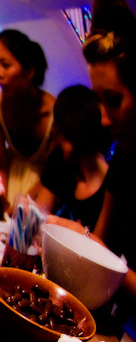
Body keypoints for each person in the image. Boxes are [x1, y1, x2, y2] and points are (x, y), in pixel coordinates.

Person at [48, 0, 136, 301]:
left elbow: (100, 251)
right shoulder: (124, 159)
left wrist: (86, 240)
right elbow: (100, 241)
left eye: (113, 100)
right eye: (99, 100)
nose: (104, 119)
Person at [0, 30, 55, 211]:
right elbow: (1, 163)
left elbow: (53, 173)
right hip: (9, 182)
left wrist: (22, 204)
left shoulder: (54, 112)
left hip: (45, 189)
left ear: (29, 71)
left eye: (6, 65)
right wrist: (1, 199)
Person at [31, 85, 110, 232]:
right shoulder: (59, 161)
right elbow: (37, 221)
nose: (58, 140)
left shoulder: (109, 187)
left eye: (61, 133)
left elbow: (97, 243)